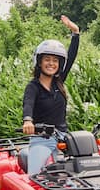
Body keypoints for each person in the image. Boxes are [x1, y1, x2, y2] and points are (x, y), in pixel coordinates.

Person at [22, 15, 80, 175]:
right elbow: (28, 104)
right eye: (47, 59)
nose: (51, 63)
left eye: (55, 60)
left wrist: (75, 33)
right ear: (39, 62)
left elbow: (71, 57)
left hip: (64, 137)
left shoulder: (59, 82)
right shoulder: (33, 86)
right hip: (42, 138)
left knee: (79, 173)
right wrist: (28, 120)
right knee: (35, 177)